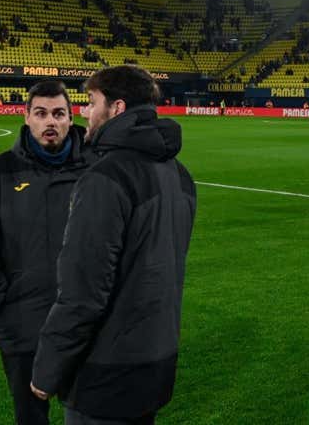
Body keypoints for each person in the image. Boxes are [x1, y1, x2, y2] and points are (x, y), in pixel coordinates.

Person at [31, 66, 196, 424]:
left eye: (91, 103)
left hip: (105, 374)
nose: (85, 112)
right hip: (156, 361)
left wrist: (47, 367)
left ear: (117, 108)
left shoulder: (106, 178)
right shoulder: (180, 174)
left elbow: (83, 292)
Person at [0, 80, 88, 425]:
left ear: (70, 116)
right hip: (22, 321)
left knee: (90, 415)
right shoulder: (1, 170)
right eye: (41, 113)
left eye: (59, 114)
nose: (51, 122)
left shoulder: (95, 167)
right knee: (30, 417)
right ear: (27, 117)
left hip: (87, 322)